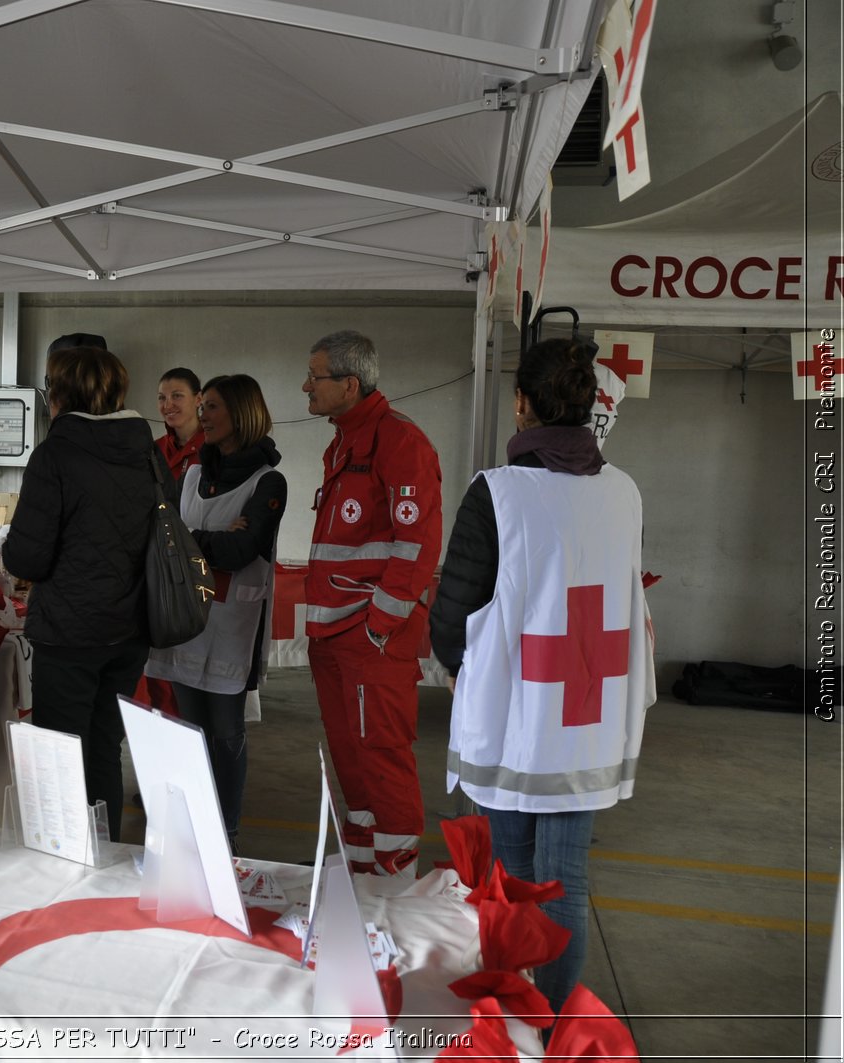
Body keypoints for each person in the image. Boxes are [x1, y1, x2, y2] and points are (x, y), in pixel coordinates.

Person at [430, 337, 654, 1014]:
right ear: (588, 407)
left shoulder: (497, 492)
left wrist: (457, 670)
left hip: (514, 715)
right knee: (567, 878)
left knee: (512, 876)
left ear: (522, 404)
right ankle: (552, 1031)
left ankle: (518, 1015)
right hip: (589, 713)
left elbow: (453, 611)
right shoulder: (624, 490)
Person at [2, 345, 169, 842]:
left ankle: (67, 861)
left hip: (69, 633)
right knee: (102, 750)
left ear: (58, 394)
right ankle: (105, 855)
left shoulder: (55, 454)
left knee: (61, 752)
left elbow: (27, 559)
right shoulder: (149, 451)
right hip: (131, 630)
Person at [301, 330, 441, 877]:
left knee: (381, 758)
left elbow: (416, 546)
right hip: (334, 637)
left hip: (369, 639)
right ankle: (361, 876)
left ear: (349, 384)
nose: (305, 386)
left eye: (316, 377)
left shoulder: (399, 441)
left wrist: (378, 626)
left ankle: (396, 883)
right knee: (352, 764)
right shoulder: (344, 440)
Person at [145, 374, 286, 849]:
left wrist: (193, 541)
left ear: (242, 413)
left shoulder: (269, 481)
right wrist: (212, 539)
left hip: (231, 628)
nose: (202, 415)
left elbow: (243, 550)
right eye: (201, 406)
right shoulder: (189, 476)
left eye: (213, 407)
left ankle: (225, 832)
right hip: (187, 624)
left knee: (225, 735)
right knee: (189, 732)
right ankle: (191, 828)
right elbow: (162, 537)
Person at [155, 367, 205, 480]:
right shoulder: (155, 449)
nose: (167, 406)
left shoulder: (214, 446)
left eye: (177, 396)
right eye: (162, 398)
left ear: (198, 399)